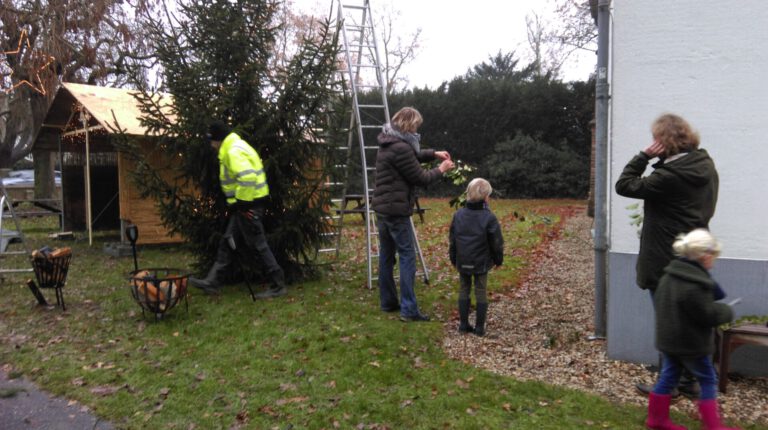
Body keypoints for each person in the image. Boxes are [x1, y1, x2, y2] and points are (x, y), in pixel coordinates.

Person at [615, 113, 719, 398]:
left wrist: (643, 156)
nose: (652, 143)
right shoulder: (704, 166)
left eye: (655, 140)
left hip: (665, 260)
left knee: (670, 325)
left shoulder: (669, 177)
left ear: (662, 143)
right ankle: (686, 381)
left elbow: (624, 185)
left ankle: (670, 385)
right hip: (695, 256)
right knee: (685, 322)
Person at [645, 229, 737, 430]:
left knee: (669, 376)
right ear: (705, 256)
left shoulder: (669, 276)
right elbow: (707, 314)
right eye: (714, 256)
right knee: (707, 378)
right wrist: (726, 312)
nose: (715, 260)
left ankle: (656, 419)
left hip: (669, 341)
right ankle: (713, 426)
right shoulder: (695, 284)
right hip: (690, 344)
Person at [372, 106, 454, 322]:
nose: (417, 128)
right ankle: (408, 309)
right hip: (397, 211)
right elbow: (422, 178)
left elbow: (412, 156)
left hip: (382, 209)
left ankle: (388, 302)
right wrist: (441, 169)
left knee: (386, 256)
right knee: (407, 256)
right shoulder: (401, 148)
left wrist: (433, 154)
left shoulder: (388, 142)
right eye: (416, 124)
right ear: (409, 125)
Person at [189, 120, 287, 299]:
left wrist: (242, 204)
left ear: (218, 140)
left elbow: (247, 177)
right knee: (228, 242)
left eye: (212, 141)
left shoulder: (233, 151)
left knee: (258, 245)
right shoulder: (234, 147)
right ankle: (212, 282)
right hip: (245, 205)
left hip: (248, 206)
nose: (211, 146)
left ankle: (278, 284)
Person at [449, 178, 504, 337]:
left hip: (463, 260)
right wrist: (498, 259)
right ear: (486, 197)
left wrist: (454, 258)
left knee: (464, 289)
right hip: (481, 262)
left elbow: (453, 240)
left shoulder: (458, 214)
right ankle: (480, 328)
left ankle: (463, 325)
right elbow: (496, 242)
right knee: (481, 291)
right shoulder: (489, 217)